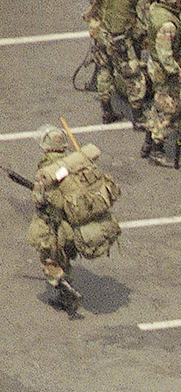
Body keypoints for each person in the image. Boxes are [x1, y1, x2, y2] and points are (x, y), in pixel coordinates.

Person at [26, 126, 121, 317]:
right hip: (76, 226)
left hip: (58, 226)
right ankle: (65, 291)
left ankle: (66, 291)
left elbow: (41, 200)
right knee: (66, 256)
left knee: (50, 259)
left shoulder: (47, 169)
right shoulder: (76, 162)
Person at [84, 0, 149, 126]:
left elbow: (94, 0)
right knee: (135, 77)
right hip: (120, 40)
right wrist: (137, 38)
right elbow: (144, 22)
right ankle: (138, 117)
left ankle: (107, 111)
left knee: (104, 71)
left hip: (101, 34)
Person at [142, 0, 181, 166]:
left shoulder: (156, 9)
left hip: (155, 66)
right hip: (164, 71)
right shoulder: (168, 25)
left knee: (158, 104)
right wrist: (178, 71)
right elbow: (165, 54)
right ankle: (156, 147)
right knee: (169, 109)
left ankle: (148, 140)